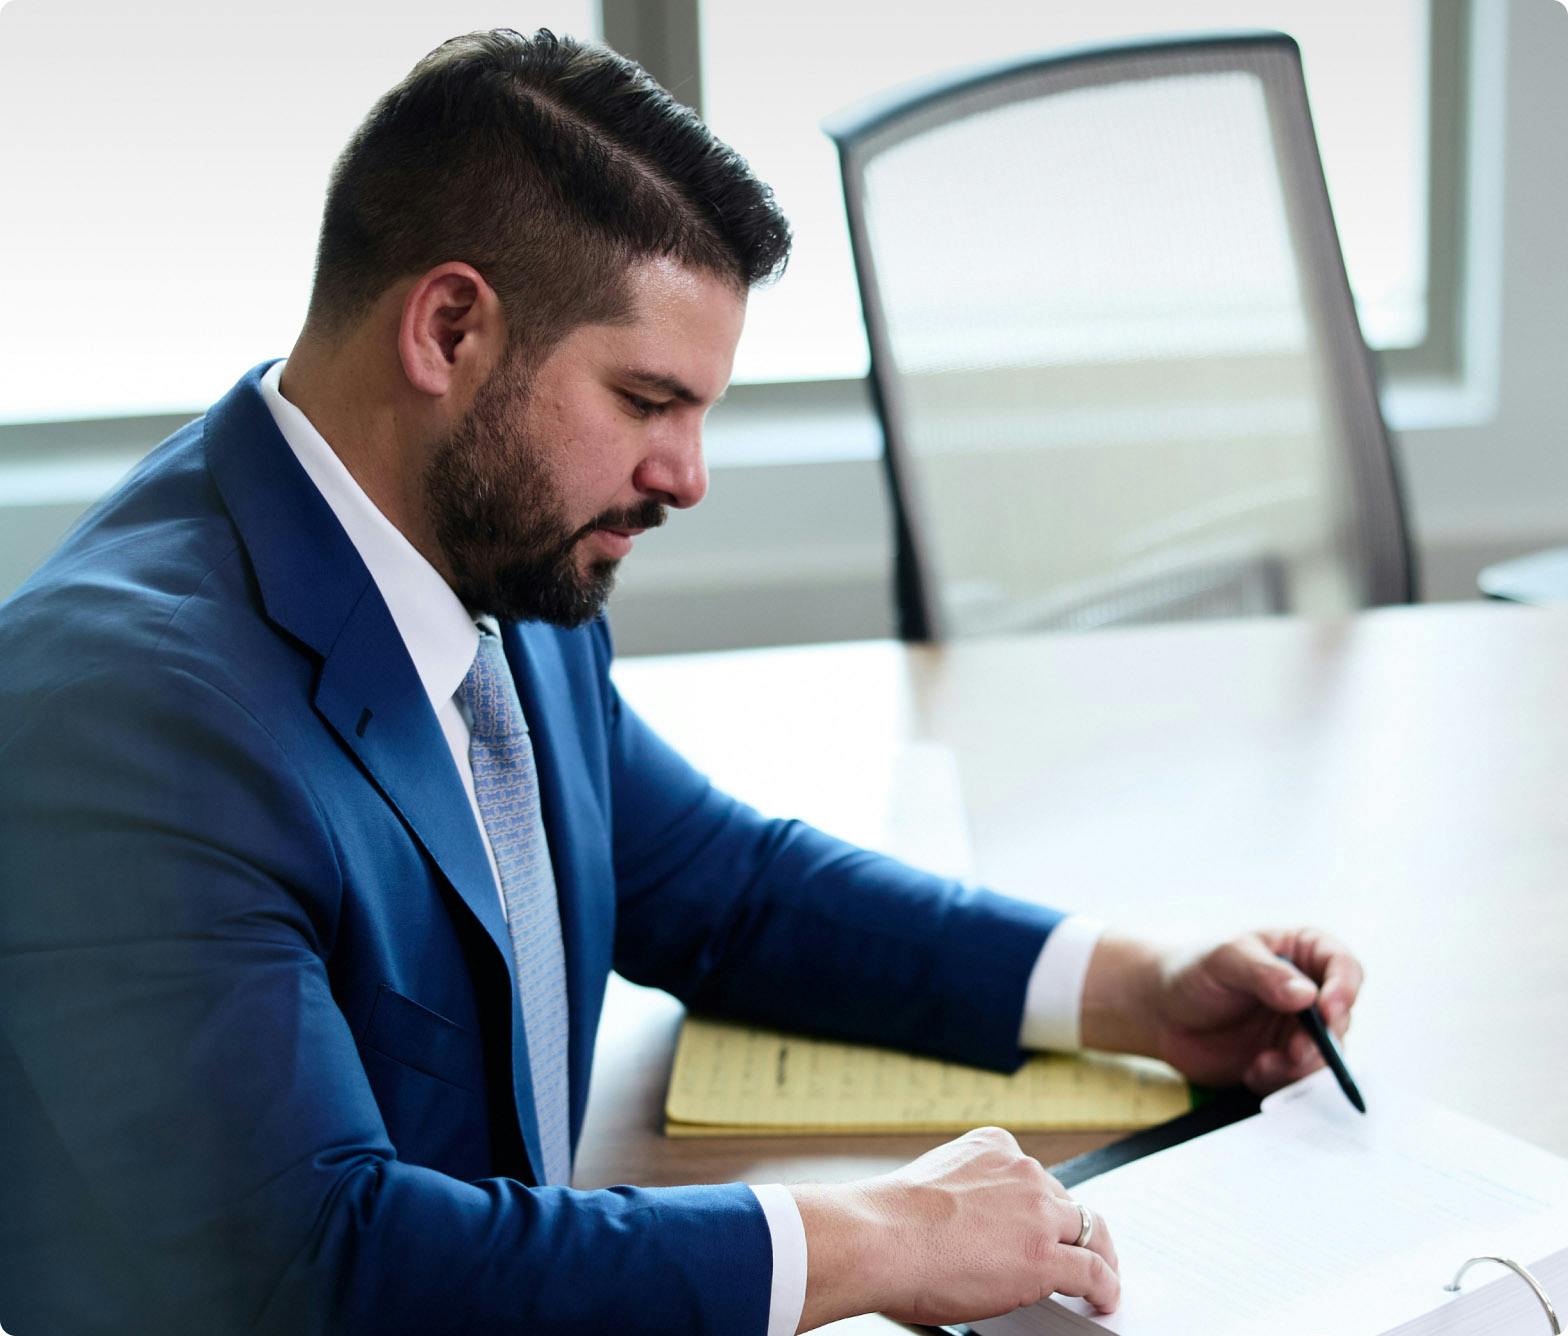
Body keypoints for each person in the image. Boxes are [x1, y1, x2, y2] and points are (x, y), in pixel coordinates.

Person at [0, 28, 1363, 1336]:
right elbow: (322, 1267)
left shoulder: (489, 551)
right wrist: (877, 1240)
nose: (686, 479)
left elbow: (721, 889)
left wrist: (1141, 986)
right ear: (450, 331)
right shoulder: (123, 717)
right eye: (649, 403)